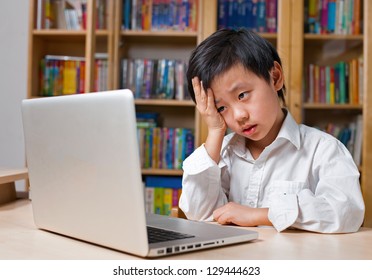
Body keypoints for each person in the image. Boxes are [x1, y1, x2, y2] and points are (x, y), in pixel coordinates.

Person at [178, 28, 365, 233]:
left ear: (275, 77)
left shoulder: (324, 150)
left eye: (242, 95)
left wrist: (261, 215)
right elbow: (199, 213)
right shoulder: (220, 154)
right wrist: (214, 130)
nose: (239, 115)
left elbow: (347, 212)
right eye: (221, 107)